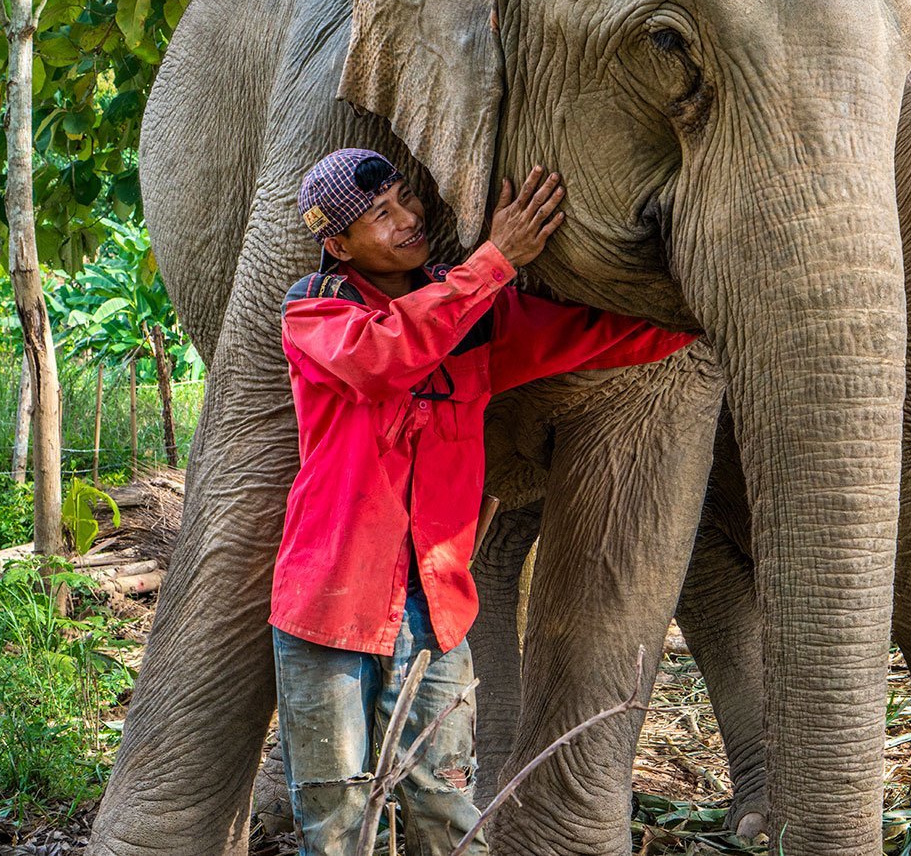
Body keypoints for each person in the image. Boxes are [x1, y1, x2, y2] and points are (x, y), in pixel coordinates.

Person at [270, 147, 693, 856]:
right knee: (335, 815)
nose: (407, 220)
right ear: (339, 246)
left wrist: (710, 312)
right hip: (328, 610)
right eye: (380, 216)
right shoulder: (316, 313)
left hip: (435, 613)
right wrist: (495, 262)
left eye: (404, 200)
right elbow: (386, 359)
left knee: (445, 805)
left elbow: (593, 335)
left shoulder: (474, 320)